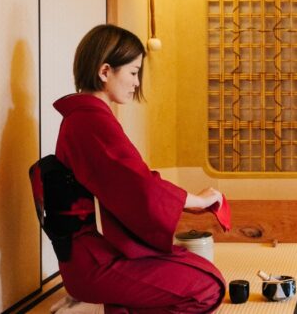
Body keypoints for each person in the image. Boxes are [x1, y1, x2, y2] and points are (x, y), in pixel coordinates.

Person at [53, 24, 225, 313]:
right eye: (133, 72)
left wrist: (185, 202)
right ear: (105, 71)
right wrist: (196, 201)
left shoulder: (84, 117)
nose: (137, 83)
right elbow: (139, 185)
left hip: (89, 253)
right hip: (93, 261)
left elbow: (132, 181)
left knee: (196, 266)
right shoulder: (90, 121)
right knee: (208, 287)